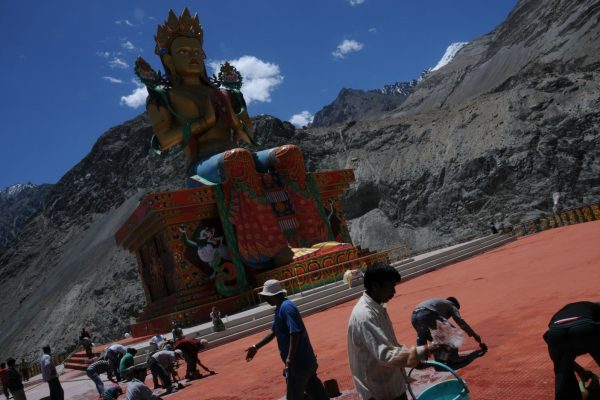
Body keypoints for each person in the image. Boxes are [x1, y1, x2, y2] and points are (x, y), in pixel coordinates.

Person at [348, 264, 435, 400]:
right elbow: (386, 354)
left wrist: (414, 358)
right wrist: (426, 348)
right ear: (376, 286)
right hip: (379, 392)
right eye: (390, 286)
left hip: (391, 384)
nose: (394, 291)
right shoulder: (365, 315)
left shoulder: (378, 307)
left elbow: (390, 345)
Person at [245, 279, 329, 400]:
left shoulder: (286, 307)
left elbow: (295, 333)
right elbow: (274, 331)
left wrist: (289, 358)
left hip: (298, 364)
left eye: (266, 296)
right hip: (305, 362)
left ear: (274, 295)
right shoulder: (281, 308)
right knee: (317, 394)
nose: (265, 299)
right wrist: (256, 346)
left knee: (294, 396)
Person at [543, 301, 600, 400]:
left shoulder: (564, 310)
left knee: (563, 375)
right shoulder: (596, 309)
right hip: (583, 328)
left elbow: (547, 337)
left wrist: (579, 370)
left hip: (555, 333)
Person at [411, 297, 487, 350]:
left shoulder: (440, 304)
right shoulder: (451, 305)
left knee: (422, 337)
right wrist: (474, 335)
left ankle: (421, 360)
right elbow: (460, 321)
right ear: (455, 305)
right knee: (450, 333)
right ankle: (452, 358)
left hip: (414, 316)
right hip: (427, 314)